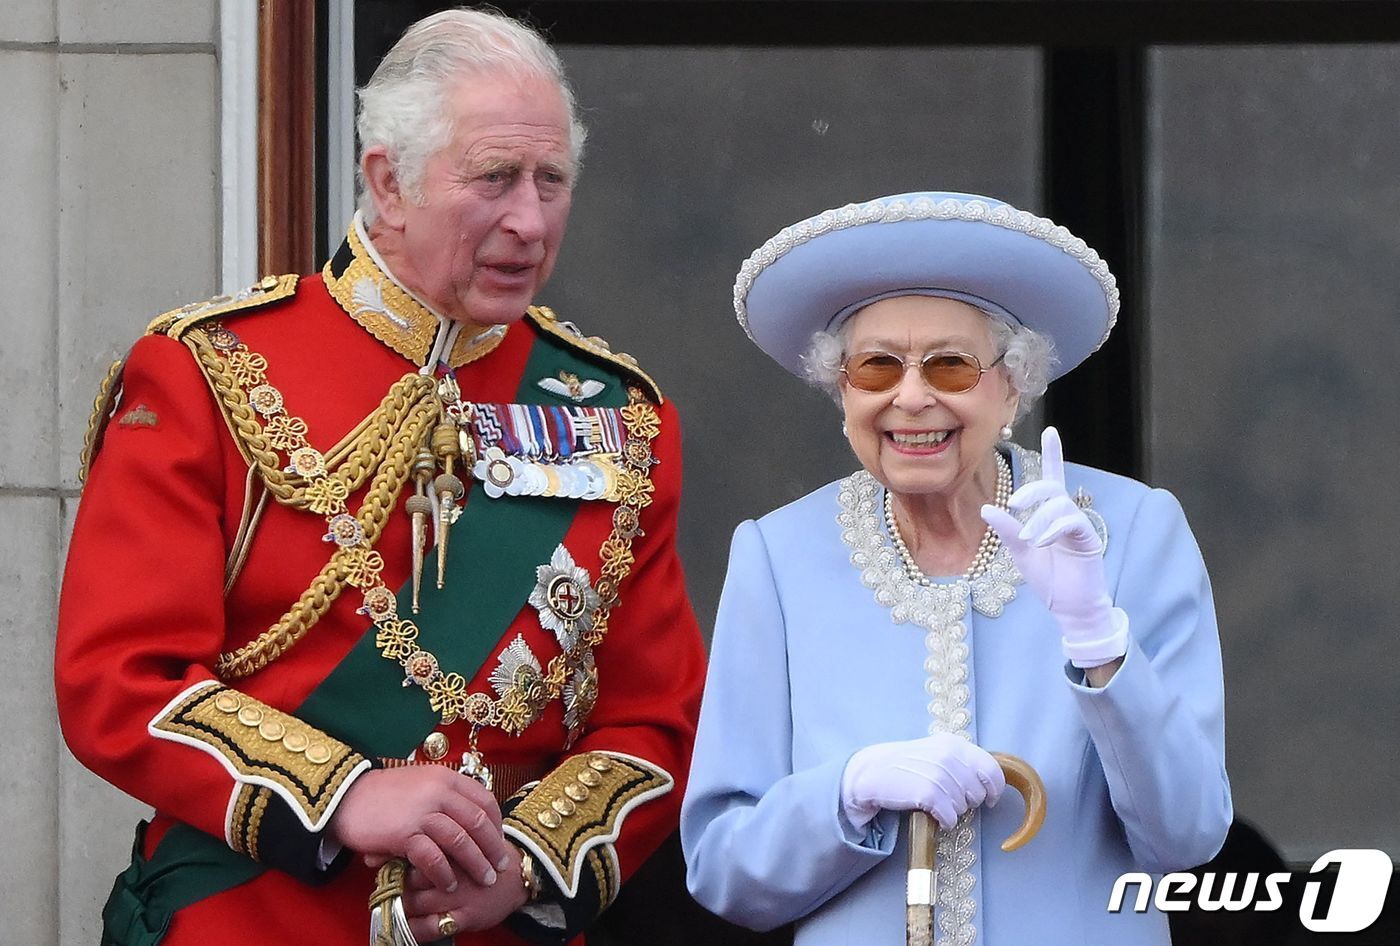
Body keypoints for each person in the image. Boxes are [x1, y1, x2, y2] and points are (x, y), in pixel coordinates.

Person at [56, 9, 706, 945]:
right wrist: (344, 798)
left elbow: (656, 724)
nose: (529, 218)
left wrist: (521, 864)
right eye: (493, 177)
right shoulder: (209, 372)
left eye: (551, 180)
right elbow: (118, 678)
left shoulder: (618, 416)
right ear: (387, 181)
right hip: (253, 919)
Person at [681, 192, 1231, 945]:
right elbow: (724, 870)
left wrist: (1099, 643)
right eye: (876, 367)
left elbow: (1189, 839)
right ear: (842, 391)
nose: (912, 397)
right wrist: (845, 793)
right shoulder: (777, 556)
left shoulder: (1131, 530)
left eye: (951, 364)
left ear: (1013, 384)